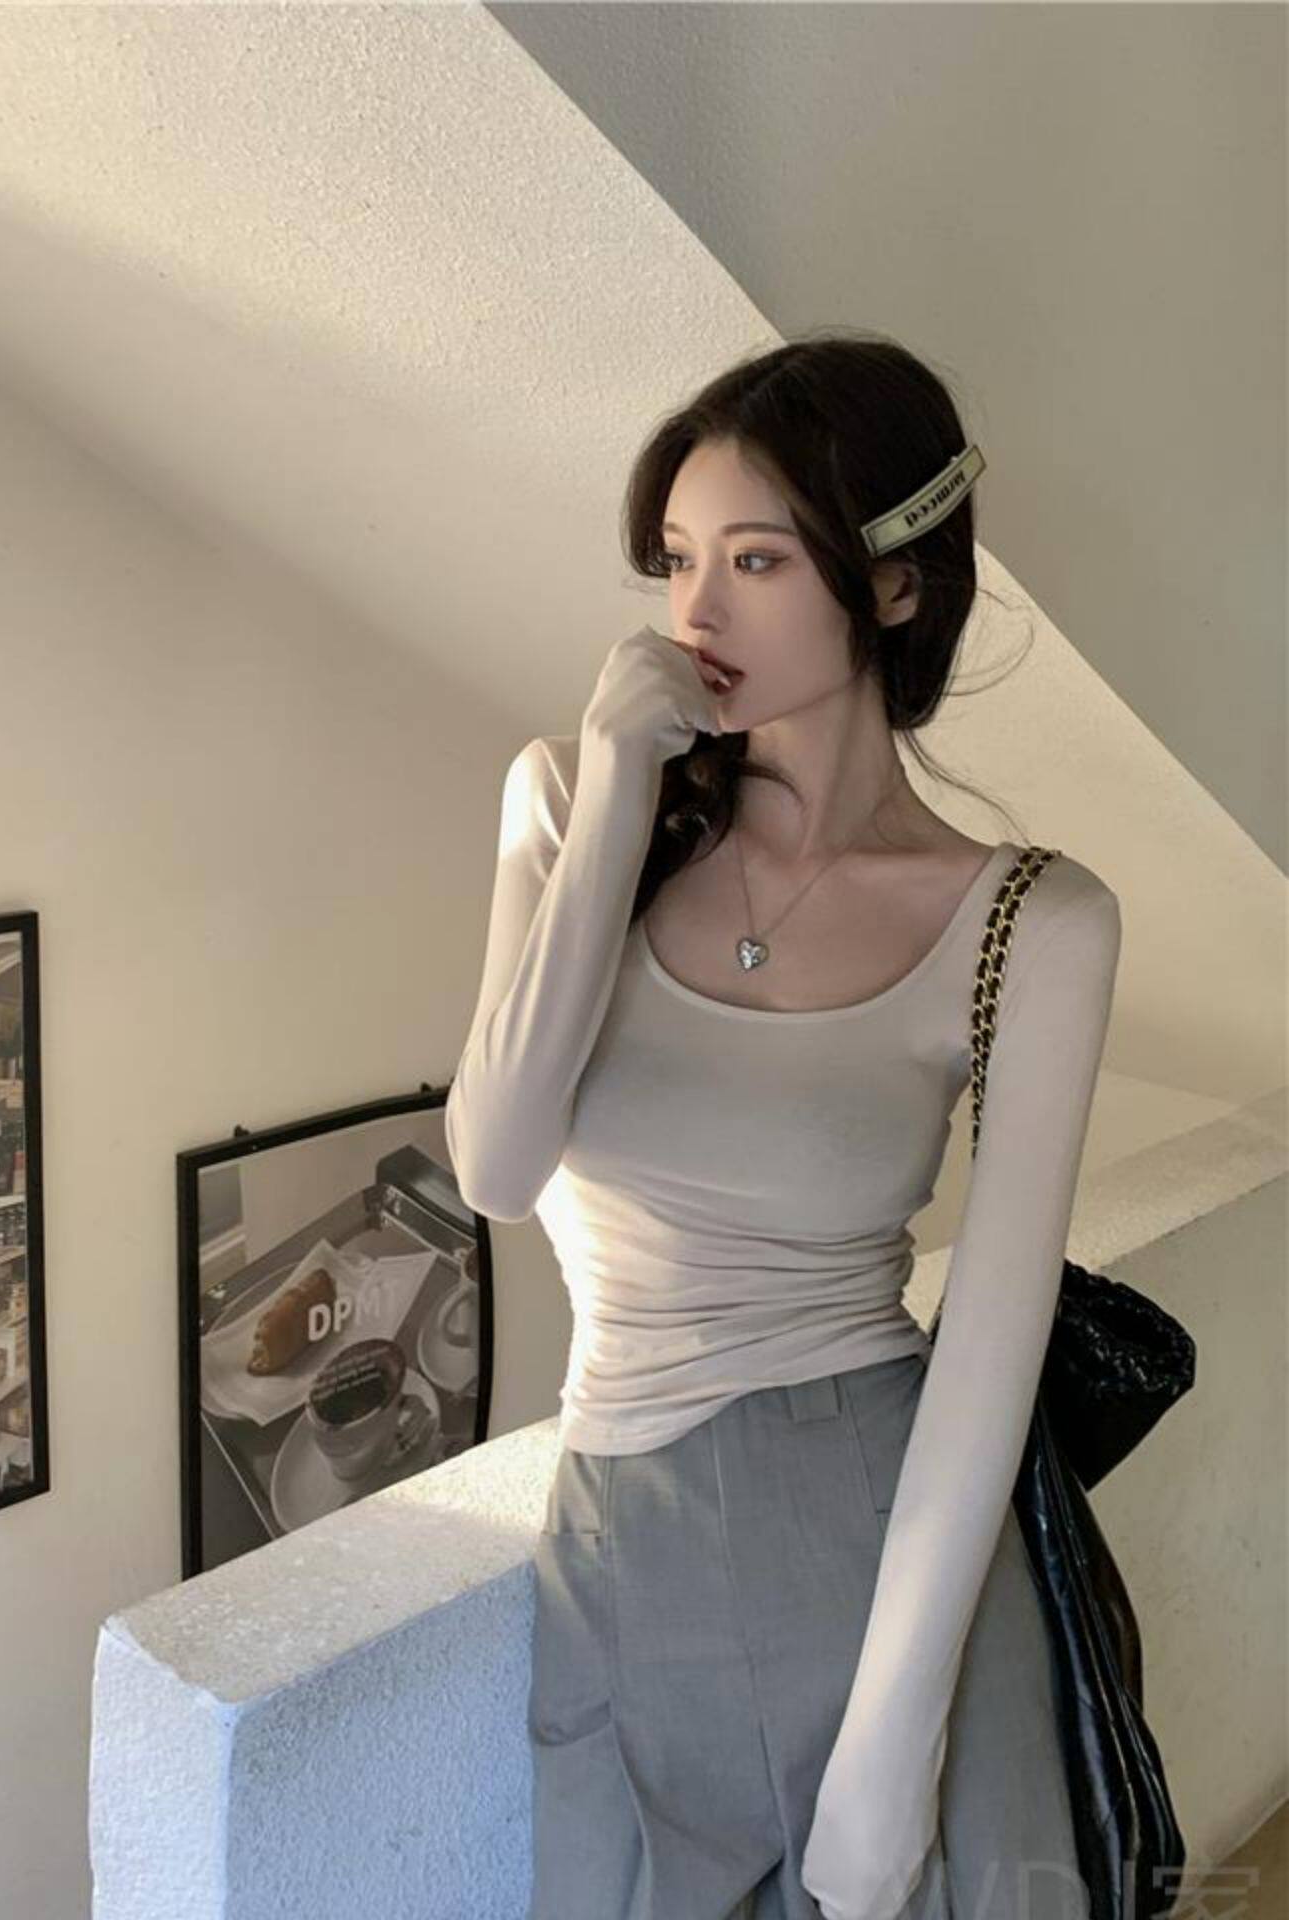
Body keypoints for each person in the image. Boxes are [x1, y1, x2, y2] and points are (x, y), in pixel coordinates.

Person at [443, 333, 1121, 1920]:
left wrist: (895, 1740)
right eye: (678, 560)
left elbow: (991, 1341)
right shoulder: (571, 802)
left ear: (893, 584)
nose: (698, 612)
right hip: (614, 1533)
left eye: (755, 560)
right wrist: (619, 790)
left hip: (877, 1536)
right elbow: (496, 1163)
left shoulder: (1030, 920)